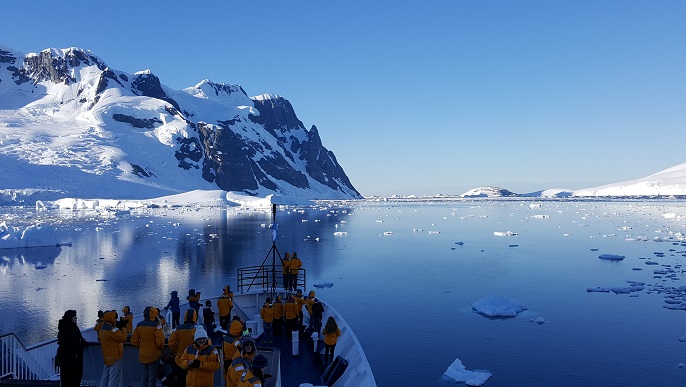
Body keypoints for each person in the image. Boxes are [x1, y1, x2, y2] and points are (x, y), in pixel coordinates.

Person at [131, 307, 165, 387]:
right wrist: (160, 348)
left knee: (144, 377)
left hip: (143, 354)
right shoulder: (157, 326)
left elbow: (134, 340)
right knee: (152, 378)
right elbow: (160, 341)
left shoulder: (139, 325)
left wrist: (141, 347)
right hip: (154, 355)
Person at [56, 310, 87, 387]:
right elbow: (71, 342)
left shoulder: (68, 327)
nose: (76, 318)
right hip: (70, 359)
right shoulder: (68, 328)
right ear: (70, 318)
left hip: (68, 358)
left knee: (67, 379)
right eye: (74, 317)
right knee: (71, 379)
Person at [98, 310, 128, 387]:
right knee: (113, 380)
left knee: (105, 378)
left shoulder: (102, 329)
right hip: (115, 357)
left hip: (106, 357)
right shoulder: (112, 330)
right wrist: (124, 327)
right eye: (114, 318)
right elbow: (123, 338)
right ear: (111, 319)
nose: (115, 320)